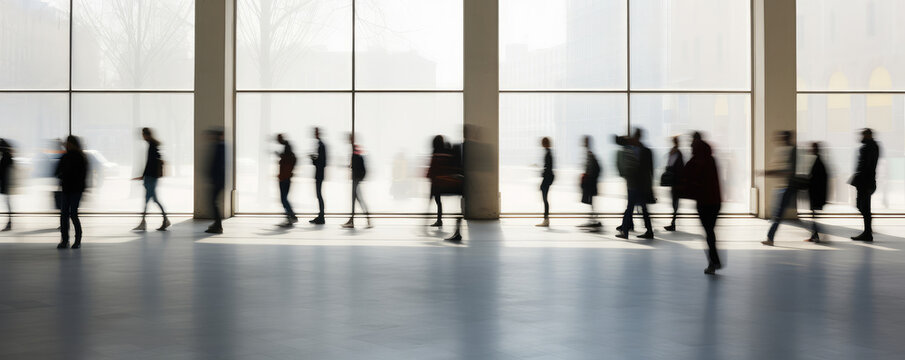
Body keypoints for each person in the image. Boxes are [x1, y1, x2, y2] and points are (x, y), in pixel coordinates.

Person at [680, 132, 722, 274]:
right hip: (715, 201)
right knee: (710, 231)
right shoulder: (710, 159)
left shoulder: (696, 160)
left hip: (704, 201)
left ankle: (713, 262)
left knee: (708, 231)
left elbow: (686, 177)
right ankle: (714, 261)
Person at [616, 129, 654, 240]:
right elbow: (650, 170)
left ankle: (626, 231)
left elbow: (635, 169)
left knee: (631, 207)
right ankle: (648, 231)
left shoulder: (634, 150)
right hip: (640, 184)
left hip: (635, 185)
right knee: (642, 208)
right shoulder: (645, 150)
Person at [761, 131, 797, 246]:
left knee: (778, 214)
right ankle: (814, 232)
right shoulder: (782, 150)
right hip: (781, 187)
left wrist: (770, 172)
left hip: (787, 187)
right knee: (777, 213)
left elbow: (789, 170)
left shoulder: (791, 151)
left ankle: (770, 237)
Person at [131, 128, 170, 232]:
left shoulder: (152, 145)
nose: (142, 136)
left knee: (149, 199)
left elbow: (150, 163)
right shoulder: (153, 145)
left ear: (146, 135)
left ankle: (145, 223)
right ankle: (164, 220)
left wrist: (144, 176)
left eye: (143, 134)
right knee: (153, 199)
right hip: (152, 177)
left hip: (150, 177)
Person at [56, 136, 88, 249]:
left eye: (67, 143)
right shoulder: (80, 157)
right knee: (71, 214)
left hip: (70, 189)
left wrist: (63, 176)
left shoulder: (69, 157)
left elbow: (58, 171)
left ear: (72, 144)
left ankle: (66, 240)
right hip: (74, 189)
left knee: (67, 214)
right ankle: (75, 240)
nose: (66, 145)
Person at [850, 128, 880, 242]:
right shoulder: (874, 146)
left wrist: (860, 180)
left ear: (867, 135)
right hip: (868, 182)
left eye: (863, 135)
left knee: (863, 207)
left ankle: (867, 233)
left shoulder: (868, 147)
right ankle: (868, 231)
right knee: (863, 207)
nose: (861, 137)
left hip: (864, 183)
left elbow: (865, 166)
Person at [342, 134, 372, 229]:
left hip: (356, 178)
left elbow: (357, 164)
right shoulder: (355, 149)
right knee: (356, 200)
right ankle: (355, 220)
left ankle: (366, 220)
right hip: (356, 178)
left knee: (358, 200)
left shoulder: (355, 149)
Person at [805, 142, 828, 243]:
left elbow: (816, 180)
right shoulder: (819, 161)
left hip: (816, 193)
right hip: (816, 193)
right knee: (813, 215)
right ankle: (815, 235)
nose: (810, 149)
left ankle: (816, 235)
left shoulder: (818, 162)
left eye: (812, 148)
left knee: (813, 215)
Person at [579, 135, 602, 231]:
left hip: (590, 182)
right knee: (591, 202)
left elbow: (591, 169)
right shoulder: (590, 154)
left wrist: (588, 177)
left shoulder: (589, 154)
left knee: (591, 201)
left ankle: (593, 219)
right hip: (592, 182)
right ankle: (593, 219)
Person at [205, 130, 225, 234]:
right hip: (218, 179)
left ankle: (218, 225)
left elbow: (218, 165)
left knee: (213, 202)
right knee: (213, 202)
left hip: (218, 180)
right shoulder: (220, 146)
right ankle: (217, 224)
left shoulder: (220, 147)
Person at [662, 136, 684, 232]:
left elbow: (670, 165)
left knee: (674, 203)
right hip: (677, 182)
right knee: (675, 203)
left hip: (675, 182)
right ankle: (673, 223)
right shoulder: (678, 153)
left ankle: (673, 223)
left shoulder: (676, 153)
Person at [275, 134, 298, 228]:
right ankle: (291, 216)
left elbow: (285, 164)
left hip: (284, 178)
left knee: (284, 199)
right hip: (285, 178)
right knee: (284, 199)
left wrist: (281, 158)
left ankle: (291, 216)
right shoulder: (289, 155)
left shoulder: (286, 155)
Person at [427, 135, 449, 228]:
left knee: (433, 200)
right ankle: (439, 219)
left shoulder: (435, 152)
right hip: (442, 180)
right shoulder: (445, 151)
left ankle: (435, 219)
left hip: (435, 180)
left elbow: (433, 166)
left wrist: (429, 176)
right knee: (438, 201)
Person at [309, 127, 327, 225]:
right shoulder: (321, 145)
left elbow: (321, 162)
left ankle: (321, 217)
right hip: (320, 174)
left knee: (319, 195)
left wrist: (313, 159)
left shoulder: (320, 145)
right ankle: (321, 215)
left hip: (319, 174)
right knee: (319, 195)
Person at [537, 137, 554, 227]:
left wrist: (543, 176)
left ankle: (546, 219)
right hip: (548, 178)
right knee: (545, 199)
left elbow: (548, 168)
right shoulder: (549, 153)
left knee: (545, 199)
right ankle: (546, 219)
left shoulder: (548, 153)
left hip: (547, 178)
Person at [0, 139, 13, 231]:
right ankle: (9, 222)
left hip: (5, 183)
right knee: (7, 203)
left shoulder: (5, 157)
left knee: (7, 203)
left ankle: (9, 223)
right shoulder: (8, 157)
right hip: (6, 183)